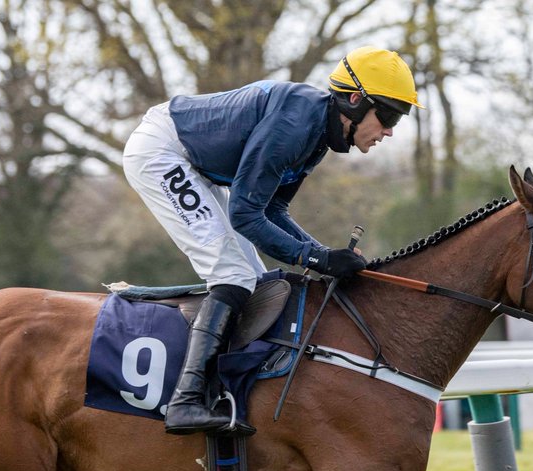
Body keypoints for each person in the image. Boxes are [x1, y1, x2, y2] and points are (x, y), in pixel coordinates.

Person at [123, 46, 422, 437]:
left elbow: (274, 211)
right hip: (162, 152)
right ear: (354, 100)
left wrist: (324, 255)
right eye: (388, 115)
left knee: (255, 279)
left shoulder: (319, 131)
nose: (390, 130)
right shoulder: (295, 126)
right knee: (232, 275)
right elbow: (245, 215)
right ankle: (186, 401)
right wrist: (316, 260)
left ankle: (226, 389)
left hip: (195, 164)